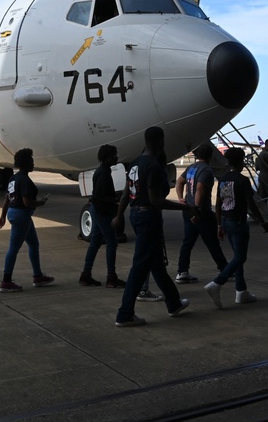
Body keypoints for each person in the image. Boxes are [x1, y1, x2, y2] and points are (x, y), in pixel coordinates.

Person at [113, 126, 192, 327]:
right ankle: (125, 314)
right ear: (160, 141)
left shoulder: (135, 164)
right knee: (139, 267)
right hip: (148, 217)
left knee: (156, 263)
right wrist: (186, 208)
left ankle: (173, 304)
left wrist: (119, 215)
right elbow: (156, 200)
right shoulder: (153, 166)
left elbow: (124, 194)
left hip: (136, 215)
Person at [204, 147, 268, 308]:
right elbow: (252, 204)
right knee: (240, 257)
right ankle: (217, 283)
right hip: (238, 222)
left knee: (237, 257)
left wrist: (219, 224)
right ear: (241, 162)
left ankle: (241, 292)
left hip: (226, 221)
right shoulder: (242, 180)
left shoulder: (224, 179)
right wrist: (262, 221)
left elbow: (219, 204)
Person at [0, 148, 54, 292]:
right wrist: (41, 202)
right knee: (13, 249)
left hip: (16, 213)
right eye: (31, 161)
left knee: (34, 244)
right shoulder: (25, 180)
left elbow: (7, 199)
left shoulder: (13, 178)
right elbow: (27, 202)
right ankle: (6, 281)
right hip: (22, 215)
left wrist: (3, 216)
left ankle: (38, 275)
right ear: (26, 163)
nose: (33, 163)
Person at [174, 143, 229, 284]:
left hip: (188, 209)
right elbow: (200, 189)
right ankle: (224, 269)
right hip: (201, 211)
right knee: (212, 241)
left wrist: (181, 199)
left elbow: (179, 182)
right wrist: (197, 210)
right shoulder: (206, 170)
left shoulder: (191, 168)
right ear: (210, 156)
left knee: (188, 242)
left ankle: (182, 271)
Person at [80, 145, 126, 288]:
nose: (116, 157)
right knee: (112, 243)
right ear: (107, 157)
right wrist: (114, 200)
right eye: (114, 155)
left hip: (98, 210)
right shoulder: (103, 173)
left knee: (96, 242)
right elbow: (99, 196)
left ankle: (86, 274)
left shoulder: (103, 171)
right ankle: (111, 277)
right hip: (102, 212)